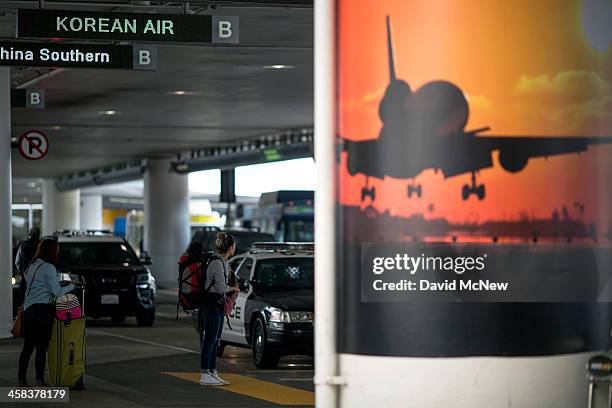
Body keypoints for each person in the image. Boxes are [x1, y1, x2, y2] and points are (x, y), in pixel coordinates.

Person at [18, 236, 75, 387]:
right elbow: (56, 292)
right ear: (52, 251)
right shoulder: (49, 268)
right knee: (41, 347)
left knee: (28, 346)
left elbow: (38, 285)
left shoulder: (31, 266)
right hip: (43, 311)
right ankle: (39, 380)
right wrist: (71, 286)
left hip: (29, 310)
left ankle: (21, 379)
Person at [199, 232, 239, 386]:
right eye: (234, 245)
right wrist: (233, 288)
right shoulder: (217, 262)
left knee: (216, 340)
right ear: (230, 247)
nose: (235, 247)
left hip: (217, 304)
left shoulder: (223, 262)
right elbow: (221, 287)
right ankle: (204, 374)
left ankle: (212, 372)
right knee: (209, 339)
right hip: (211, 305)